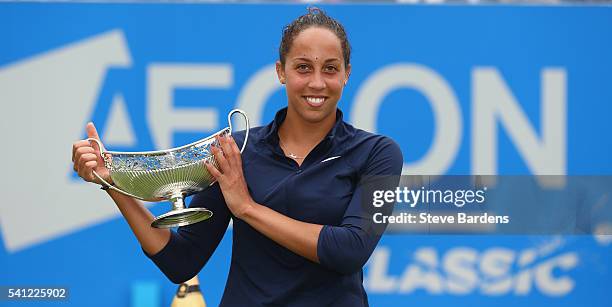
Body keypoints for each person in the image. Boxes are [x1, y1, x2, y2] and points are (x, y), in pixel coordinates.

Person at [72, 7, 403, 306]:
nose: (317, 82)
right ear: (281, 71)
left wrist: (247, 208)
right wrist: (111, 182)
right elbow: (181, 261)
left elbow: (349, 251)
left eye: (330, 68)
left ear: (346, 73)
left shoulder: (378, 153)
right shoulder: (236, 151)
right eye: (303, 67)